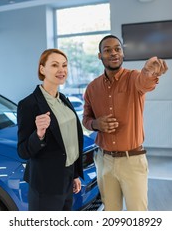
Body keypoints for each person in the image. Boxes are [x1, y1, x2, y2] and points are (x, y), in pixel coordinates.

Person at [82, 35, 168, 211]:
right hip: (104, 161)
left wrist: (149, 72)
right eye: (107, 50)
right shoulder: (92, 87)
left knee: (137, 214)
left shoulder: (134, 77)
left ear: (122, 53)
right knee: (111, 211)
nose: (113, 53)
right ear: (100, 56)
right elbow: (86, 119)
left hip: (132, 160)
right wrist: (96, 124)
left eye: (117, 49)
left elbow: (145, 83)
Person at [17, 48, 83, 211]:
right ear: (42, 69)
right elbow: (23, 151)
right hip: (46, 186)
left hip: (66, 180)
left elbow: (69, 141)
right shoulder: (28, 104)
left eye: (64, 65)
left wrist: (74, 174)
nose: (61, 70)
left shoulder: (63, 100)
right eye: (54, 65)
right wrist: (38, 134)